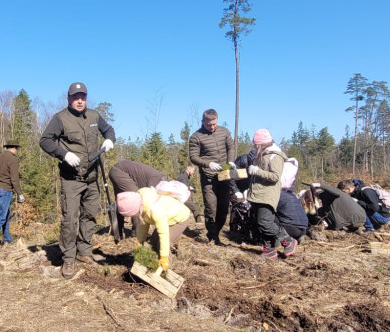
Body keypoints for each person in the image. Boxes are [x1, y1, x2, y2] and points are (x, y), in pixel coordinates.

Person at [39, 81, 116, 279]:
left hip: (92, 177)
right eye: (75, 97)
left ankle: (84, 252)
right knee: (70, 219)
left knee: (90, 215)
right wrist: (63, 154)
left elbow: (109, 131)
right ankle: (69, 259)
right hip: (71, 179)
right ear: (69, 99)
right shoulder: (60, 118)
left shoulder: (94, 116)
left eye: (82, 97)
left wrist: (109, 140)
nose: (79, 101)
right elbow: (45, 140)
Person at [245, 129, 298, 259]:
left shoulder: (276, 156)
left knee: (265, 222)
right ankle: (269, 249)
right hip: (258, 194)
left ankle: (288, 240)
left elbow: (275, 177)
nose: (255, 147)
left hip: (267, 195)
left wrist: (257, 171)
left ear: (262, 143)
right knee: (262, 222)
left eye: (256, 144)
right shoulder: (263, 153)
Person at [116, 187, 192, 272]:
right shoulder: (141, 201)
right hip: (166, 218)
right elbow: (144, 224)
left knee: (160, 244)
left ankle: (165, 269)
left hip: (180, 218)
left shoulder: (155, 210)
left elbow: (164, 234)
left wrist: (164, 257)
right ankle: (153, 265)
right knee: (152, 243)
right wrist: (140, 242)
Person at [188, 109, 235, 245]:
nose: (212, 127)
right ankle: (213, 236)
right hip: (208, 177)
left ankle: (217, 232)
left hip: (224, 174)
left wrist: (231, 161)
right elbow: (193, 157)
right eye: (209, 124)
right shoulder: (196, 137)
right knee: (210, 208)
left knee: (224, 207)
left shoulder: (224, 131)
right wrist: (209, 164)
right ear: (203, 122)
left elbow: (230, 147)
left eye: (214, 124)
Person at [0, 140, 24, 248]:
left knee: (5, 214)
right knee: (2, 216)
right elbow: (14, 179)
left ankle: (7, 239)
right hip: (6, 189)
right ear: (14, 148)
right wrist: (20, 194)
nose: (17, 151)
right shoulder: (12, 159)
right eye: (17, 149)